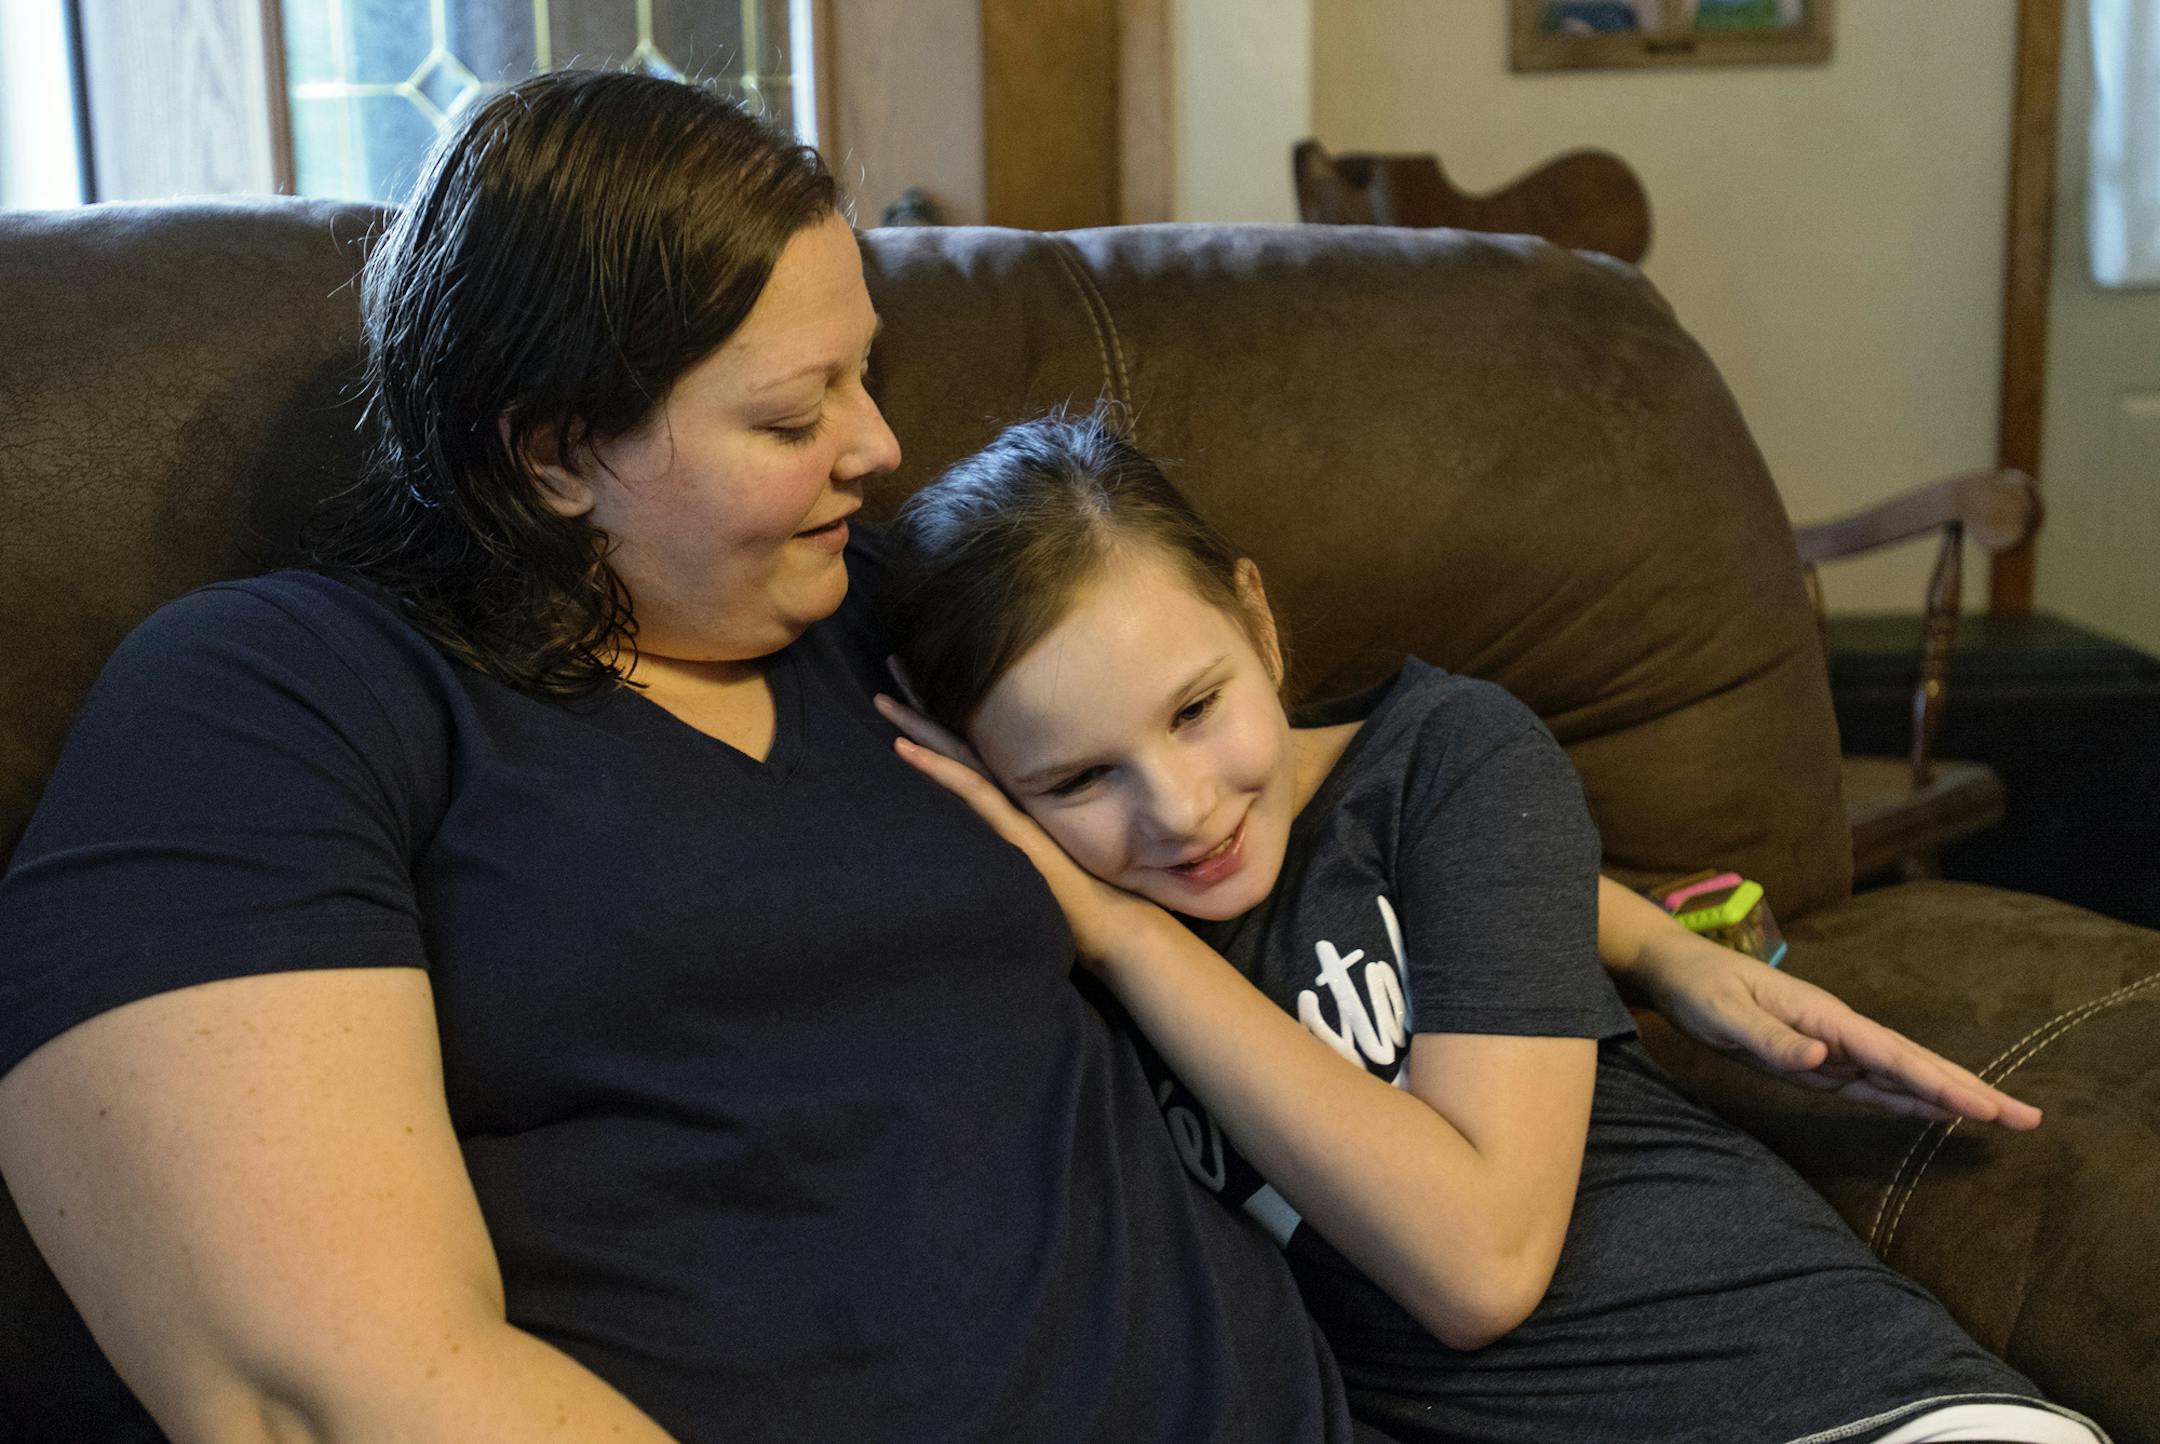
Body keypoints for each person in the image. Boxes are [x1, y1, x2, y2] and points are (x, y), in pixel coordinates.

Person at [0, 70, 2032, 1444]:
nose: (880, 449)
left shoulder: (886, 621)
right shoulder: (278, 698)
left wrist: (1628, 932)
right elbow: (329, 1378)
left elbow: (1258, 769)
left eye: (869, 369)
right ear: (551, 450)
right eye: (795, 415)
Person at [874, 407, 2099, 1444]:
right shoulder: (1033, 939)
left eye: (1197, 707)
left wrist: (1126, 940)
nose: (1182, 810)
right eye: (1078, 780)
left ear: (1258, 619)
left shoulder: (1443, 759)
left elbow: (1480, 1267)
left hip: (1847, 1402)